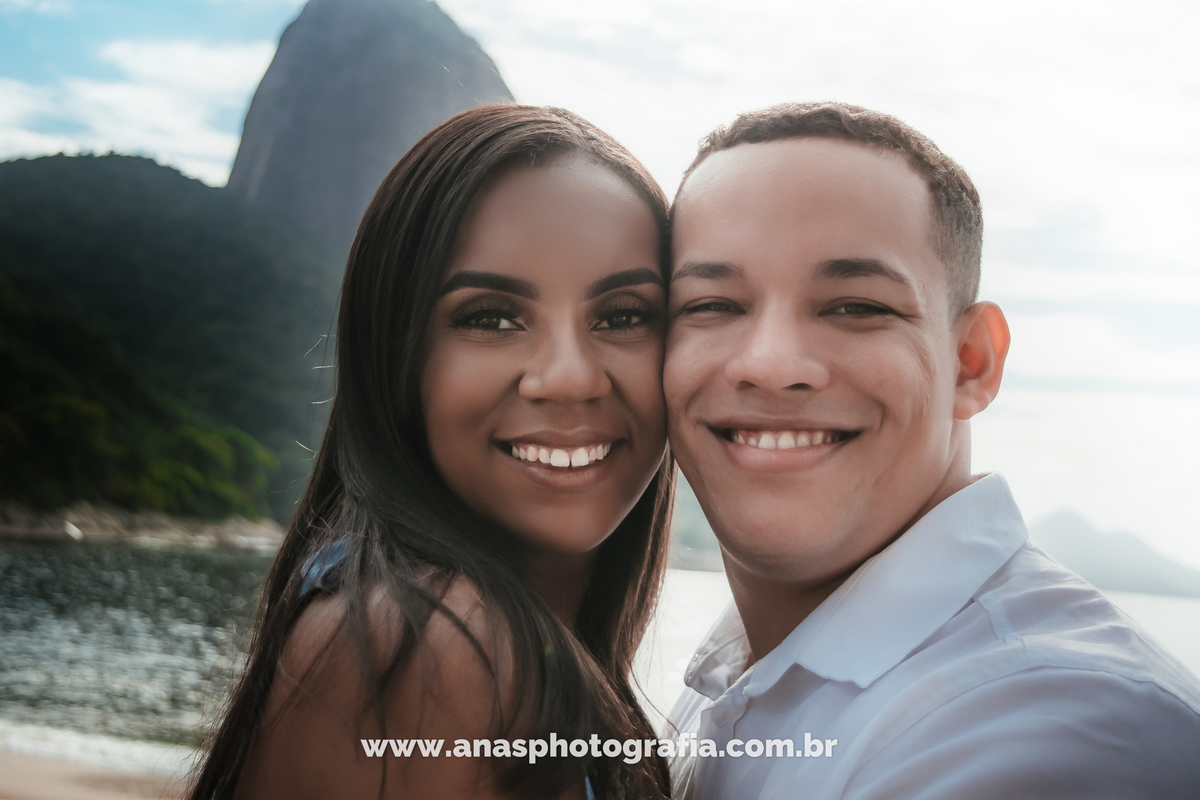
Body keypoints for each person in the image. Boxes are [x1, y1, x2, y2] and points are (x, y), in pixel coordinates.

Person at [663, 101, 1200, 799]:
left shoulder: (1057, 729)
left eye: (857, 306)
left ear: (971, 363)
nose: (769, 363)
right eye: (711, 305)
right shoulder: (739, 676)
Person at [187, 105, 675, 800]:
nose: (569, 377)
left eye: (623, 316)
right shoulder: (432, 642)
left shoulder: (457, 633)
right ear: (396, 355)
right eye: (491, 318)